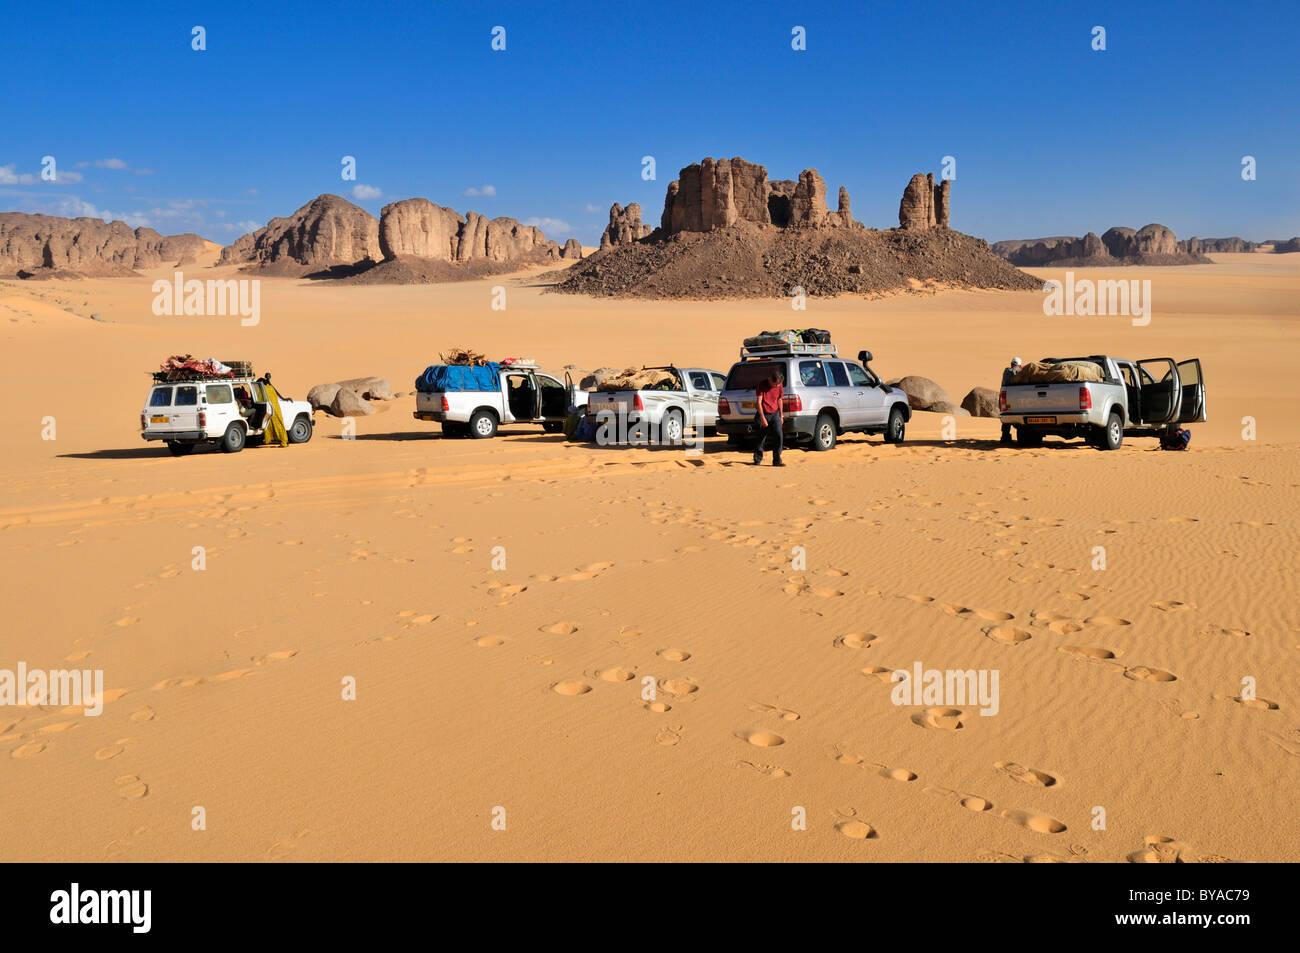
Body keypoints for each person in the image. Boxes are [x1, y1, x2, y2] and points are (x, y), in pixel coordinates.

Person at [753, 369, 785, 466]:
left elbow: (780, 399)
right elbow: (758, 402)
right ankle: (757, 459)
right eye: (775, 384)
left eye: (778, 385)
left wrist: (781, 415)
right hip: (763, 412)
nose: (777, 386)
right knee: (761, 438)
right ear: (770, 380)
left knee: (779, 435)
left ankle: (777, 460)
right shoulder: (762, 385)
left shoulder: (779, 385)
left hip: (775, 413)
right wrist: (762, 418)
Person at [1000, 357, 1022, 444]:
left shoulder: (1006, 371)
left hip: (1006, 396)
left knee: (1006, 416)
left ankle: (1005, 436)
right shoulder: (1014, 372)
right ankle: (1006, 437)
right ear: (1019, 365)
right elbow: (1015, 372)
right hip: (1015, 398)